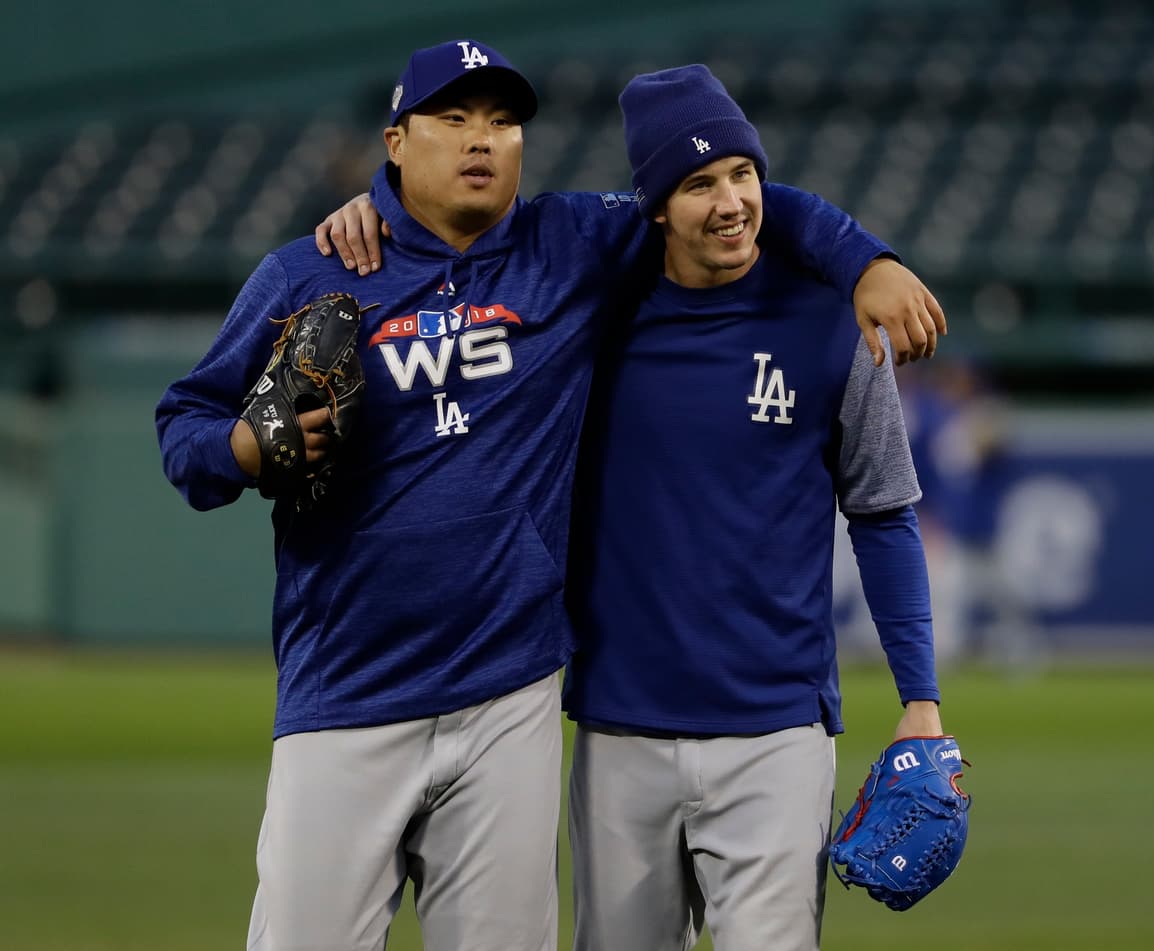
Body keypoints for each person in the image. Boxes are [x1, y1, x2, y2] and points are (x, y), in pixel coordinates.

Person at [158, 39, 941, 951]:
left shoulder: (568, 244)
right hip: (347, 690)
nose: (481, 139)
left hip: (510, 695)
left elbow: (724, 198)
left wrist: (864, 261)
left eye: (502, 120)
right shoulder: (311, 274)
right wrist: (243, 447)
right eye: (453, 119)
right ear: (396, 141)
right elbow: (186, 429)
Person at [557, 65, 947, 951]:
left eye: (742, 174)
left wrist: (920, 698)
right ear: (655, 204)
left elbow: (883, 512)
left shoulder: (833, 322)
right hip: (621, 727)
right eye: (699, 184)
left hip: (776, 732)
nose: (731, 201)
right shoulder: (595, 321)